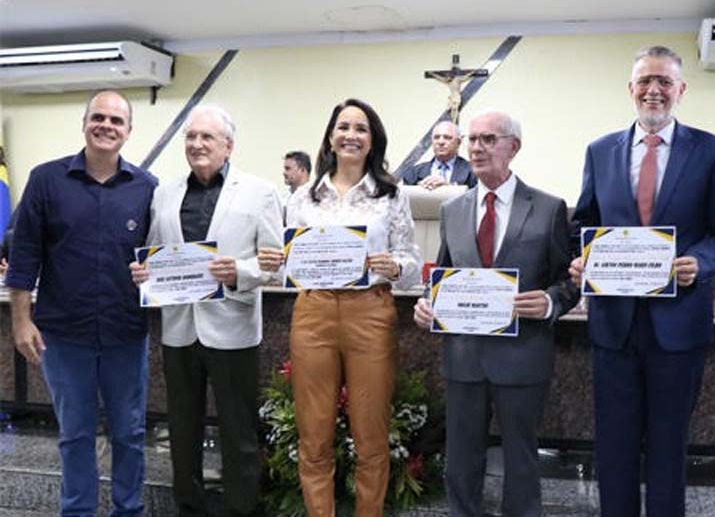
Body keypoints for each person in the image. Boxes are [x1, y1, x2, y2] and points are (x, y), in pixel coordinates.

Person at [568, 46, 715, 516]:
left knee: (669, 447)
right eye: (645, 80)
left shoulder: (710, 151)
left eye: (664, 81)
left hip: (678, 324)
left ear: (681, 90)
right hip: (614, 326)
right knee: (614, 446)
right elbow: (583, 222)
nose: (654, 90)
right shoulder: (600, 151)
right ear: (630, 89)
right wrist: (582, 258)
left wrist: (699, 262)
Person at [257, 98, 421, 517]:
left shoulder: (391, 195)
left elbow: (412, 263)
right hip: (313, 313)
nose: (351, 134)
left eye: (361, 128)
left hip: (370, 312)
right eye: (343, 127)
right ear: (330, 136)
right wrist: (274, 262)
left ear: (372, 140)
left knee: (371, 436)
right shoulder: (303, 198)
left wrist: (395, 264)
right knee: (313, 435)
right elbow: (286, 263)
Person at [412, 110, 579, 517]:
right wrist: (428, 307)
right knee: (460, 462)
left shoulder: (548, 207)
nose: (476, 148)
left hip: (522, 358)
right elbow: (443, 277)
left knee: (521, 463)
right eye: (472, 140)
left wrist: (551, 302)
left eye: (488, 139)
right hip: (464, 358)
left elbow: (569, 281)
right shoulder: (452, 210)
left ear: (513, 147)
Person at [6, 90, 157, 516]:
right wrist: (21, 320)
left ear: (128, 132)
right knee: (75, 434)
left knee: (129, 433)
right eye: (99, 117)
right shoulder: (46, 180)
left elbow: (162, 254)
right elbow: (24, 256)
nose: (106, 126)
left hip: (125, 334)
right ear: (85, 122)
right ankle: (77, 511)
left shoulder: (146, 188)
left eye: (116, 121)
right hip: (63, 335)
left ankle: (128, 510)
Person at [130, 105, 282, 516]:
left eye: (207, 137)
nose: (197, 144)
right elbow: (156, 253)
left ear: (228, 145)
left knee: (239, 431)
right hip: (178, 330)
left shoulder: (260, 192)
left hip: (232, 328)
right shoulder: (164, 193)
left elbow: (276, 264)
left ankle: (240, 508)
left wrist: (240, 271)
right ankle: (189, 505)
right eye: (190, 137)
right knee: (181, 428)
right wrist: (145, 272)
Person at [401, 121, 477, 190]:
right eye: (436, 137)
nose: (441, 142)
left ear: (458, 142)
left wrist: (450, 188)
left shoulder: (474, 172)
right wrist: (420, 190)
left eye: (447, 137)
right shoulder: (413, 173)